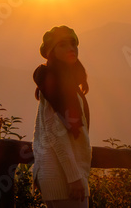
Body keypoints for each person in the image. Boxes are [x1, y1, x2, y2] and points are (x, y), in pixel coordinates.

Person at [32, 25, 92, 208]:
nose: (71, 48)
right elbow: (55, 135)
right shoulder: (53, 83)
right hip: (63, 180)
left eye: (73, 43)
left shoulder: (64, 81)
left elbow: (44, 132)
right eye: (63, 45)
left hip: (62, 177)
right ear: (51, 52)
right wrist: (74, 178)